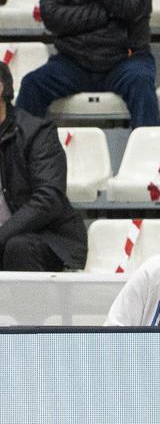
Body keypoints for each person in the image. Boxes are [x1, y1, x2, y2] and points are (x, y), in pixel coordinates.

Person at [16, 0, 159, 128]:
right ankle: (17, 155)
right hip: (74, 61)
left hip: (126, 58)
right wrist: (111, 8)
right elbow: (52, 17)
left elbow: (133, 8)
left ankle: (148, 155)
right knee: (32, 84)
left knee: (142, 83)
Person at [0, 62, 87, 272]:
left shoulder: (37, 132)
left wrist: (2, 235)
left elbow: (49, 199)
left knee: (18, 247)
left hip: (45, 236)